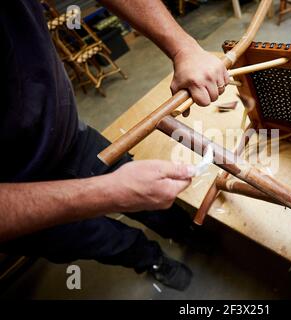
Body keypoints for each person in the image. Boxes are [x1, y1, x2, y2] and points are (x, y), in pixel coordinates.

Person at [0, 0, 229, 291]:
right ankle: (152, 260)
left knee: (154, 197)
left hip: (69, 137)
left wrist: (183, 47)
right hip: (19, 199)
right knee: (102, 240)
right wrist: (106, 193)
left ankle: (185, 231)